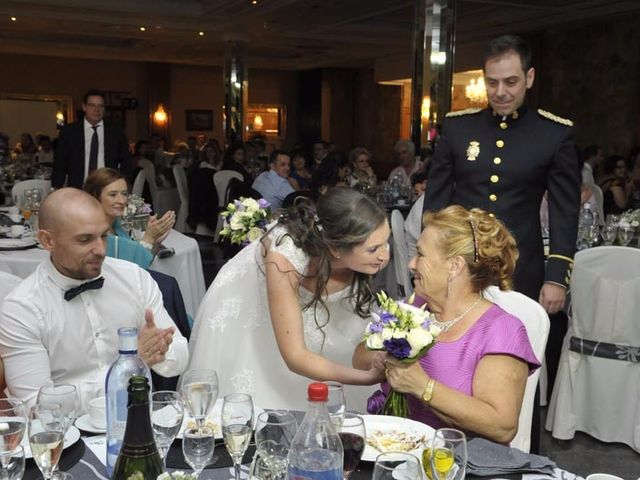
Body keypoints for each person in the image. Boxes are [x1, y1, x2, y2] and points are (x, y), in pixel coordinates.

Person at [187, 187, 390, 411]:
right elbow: (295, 356)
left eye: (386, 243)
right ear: (335, 248)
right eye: (373, 249)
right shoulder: (285, 255)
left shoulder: (361, 258)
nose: (384, 256)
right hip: (252, 308)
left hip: (316, 308)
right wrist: (366, 378)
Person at [424, 34, 580, 315]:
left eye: (511, 81)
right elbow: (436, 204)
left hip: (521, 267)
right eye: (492, 82)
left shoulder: (553, 135)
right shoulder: (458, 128)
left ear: (529, 78)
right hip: (460, 264)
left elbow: (564, 211)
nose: (500, 92)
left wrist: (557, 276)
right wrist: (429, 261)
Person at [355, 205, 539, 443]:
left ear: (455, 266)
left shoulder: (501, 330)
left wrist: (423, 386)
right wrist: (379, 358)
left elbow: (501, 426)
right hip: (389, 446)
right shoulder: (415, 305)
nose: (411, 263)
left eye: (421, 255)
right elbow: (359, 357)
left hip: (454, 463)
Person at [0, 188, 188, 407]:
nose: (100, 250)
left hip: (139, 421)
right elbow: (35, 406)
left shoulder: (134, 278)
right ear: (47, 241)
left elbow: (180, 358)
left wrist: (162, 351)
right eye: (84, 240)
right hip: (67, 435)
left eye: (103, 236)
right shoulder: (23, 307)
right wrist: (128, 366)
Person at [83, 168, 176, 268]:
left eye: (124, 194)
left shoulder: (118, 226)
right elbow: (129, 271)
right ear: (95, 197)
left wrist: (156, 241)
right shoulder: (95, 236)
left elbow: (143, 262)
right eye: (113, 195)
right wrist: (149, 238)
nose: (122, 201)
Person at [53, 89, 131, 188]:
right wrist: (57, 189)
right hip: (78, 187)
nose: (96, 110)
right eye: (92, 105)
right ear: (84, 107)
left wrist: (121, 186)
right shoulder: (70, 132)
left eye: (100, 106)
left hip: (107, 187)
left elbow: (126, 162)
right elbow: (60, 163)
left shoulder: (115, 132)